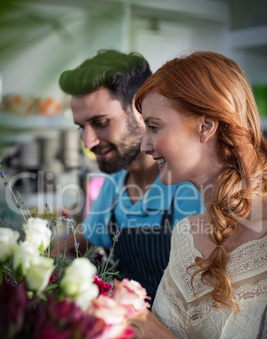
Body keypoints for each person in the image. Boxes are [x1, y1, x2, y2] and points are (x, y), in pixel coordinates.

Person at [132, 51, 267, 339]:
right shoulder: (185, 233)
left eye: (154, 126)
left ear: (206, 125)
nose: (145, 145)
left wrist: (156, 338)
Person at [57, 50, 204, 301]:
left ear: (141, 108)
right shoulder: (116, 180)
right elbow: (86, 237)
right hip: (129, 332)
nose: (88, 141)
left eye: (101, 123)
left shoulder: (189, 182)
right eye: (82, 127)